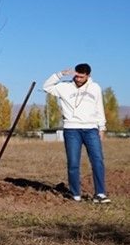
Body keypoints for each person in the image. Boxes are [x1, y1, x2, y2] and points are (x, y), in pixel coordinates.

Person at [43, 64, 109, 203]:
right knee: (73, 162)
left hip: (91, 129)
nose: (78, 79)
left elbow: (99, 107)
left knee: (97, 160)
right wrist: (60, 74)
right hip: (71, 130)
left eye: (81, 76)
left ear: (88, 76)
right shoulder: (64, 87)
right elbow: (46, 86)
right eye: (76, 76)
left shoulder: (95, 87)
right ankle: (75, 194)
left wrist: (102, 128)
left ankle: (100, 194)